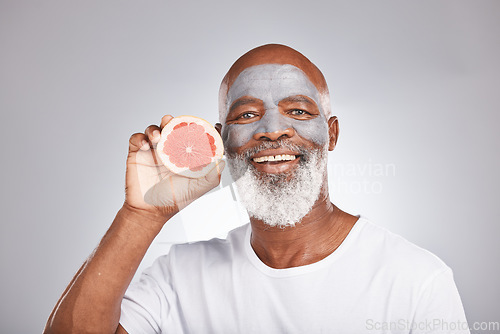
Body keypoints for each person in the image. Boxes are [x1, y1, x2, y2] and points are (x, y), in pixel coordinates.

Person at [44, 44, 470, 334]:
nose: (272, 131)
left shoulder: (416, 281)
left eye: (298, 110)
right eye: (246, 115)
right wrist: (142, 215)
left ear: (332, 133)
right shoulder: (179, 277)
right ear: (219, 141)